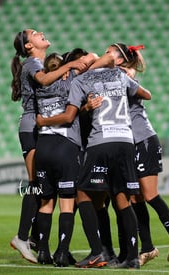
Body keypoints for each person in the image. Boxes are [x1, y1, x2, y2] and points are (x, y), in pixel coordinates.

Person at [36, 53, 152, 269]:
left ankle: (98, 252)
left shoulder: (81, 80)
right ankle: (133, 258)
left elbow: (71, 114)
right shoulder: (119, 75)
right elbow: (146, 94)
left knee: (81, 193)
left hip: (101, 141)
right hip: (126, 141)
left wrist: (86, 107)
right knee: (122, 200)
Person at [9, 29, 88, 263]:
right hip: (32, 125)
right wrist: (68, 67)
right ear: (29, 46)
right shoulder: (32, 64)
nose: (40, 32)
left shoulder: (40, 63)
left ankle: (34, 238)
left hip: (37, 127)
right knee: (35, 184)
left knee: (43, 187)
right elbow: (43, 80)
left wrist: (66, 68)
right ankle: (23, 236)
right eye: (34, 33)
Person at [107, 43, 169, 266]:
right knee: (135, 197)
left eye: (109, 52)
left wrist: (126, 73)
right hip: (130, 143)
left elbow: (145, 93)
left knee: (149, 195)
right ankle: (148, 247)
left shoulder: (125, 76)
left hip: (144, 140)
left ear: (121, 59)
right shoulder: (116, 75)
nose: (105, 55)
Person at [34, 51, 101, 267]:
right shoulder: (72, 80)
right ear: (64, 68)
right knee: (66, 205)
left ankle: (42, 252)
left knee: (45, 203)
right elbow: (91, 57)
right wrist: (71, 66)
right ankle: (62, 253)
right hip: (65, 146)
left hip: (42, 147)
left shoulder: (40, 85)